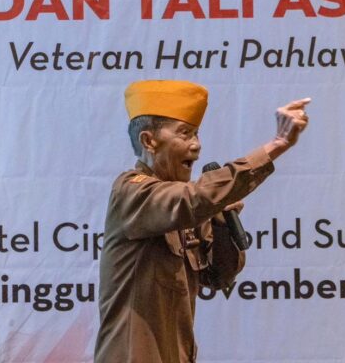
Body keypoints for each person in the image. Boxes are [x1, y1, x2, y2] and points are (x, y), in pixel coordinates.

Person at [95, 80, 310, 363]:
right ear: (149, 141)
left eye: (196, 134)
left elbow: (219, 276)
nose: (196, 145)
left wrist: (220, 223)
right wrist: (277, 145)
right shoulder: (132, 191)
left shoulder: (186, 207)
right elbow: (195, 198)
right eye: (185, 134)